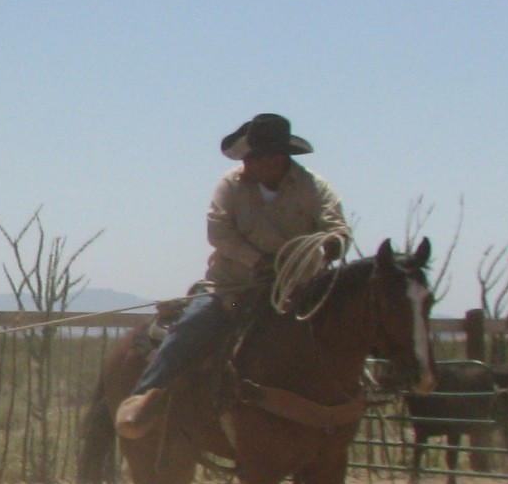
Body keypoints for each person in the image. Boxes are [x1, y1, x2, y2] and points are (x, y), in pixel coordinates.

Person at [115, 113, 351, 430]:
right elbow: (219, 233)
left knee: (346, 326)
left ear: (276, 159)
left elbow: (337, 228)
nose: (246, 164)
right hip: (233, 286)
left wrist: (333, 243)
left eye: (252, 158)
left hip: (297, 289)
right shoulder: (230, 185)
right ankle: (146, 396)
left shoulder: (313, 187)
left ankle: (360, 393)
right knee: (192, 326)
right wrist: (259, 261)